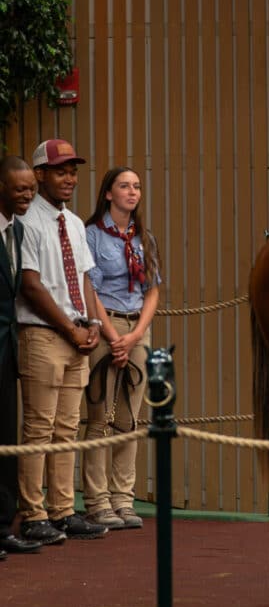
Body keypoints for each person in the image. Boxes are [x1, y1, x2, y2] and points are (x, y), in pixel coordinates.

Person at [17, 139, 107, 544]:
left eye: (72, 170)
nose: (69, 178)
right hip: (42, 333)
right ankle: (34, 513)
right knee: (39, 428)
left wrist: (91, 324)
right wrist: (70, 329)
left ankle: (63, 510)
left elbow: (85, 278)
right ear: (39, 175)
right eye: (60, 170)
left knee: (68, 427)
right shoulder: (27, 221)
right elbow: (31, 286)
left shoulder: (72, 222)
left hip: (76, 335)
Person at [82, 166, 160, 531]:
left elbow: (153, 290)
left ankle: (123, 499)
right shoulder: (93, 235)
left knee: (130, 419)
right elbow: (90, 289)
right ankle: (96, 502)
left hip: (137, 329)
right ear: (108, 193)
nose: (132, 192)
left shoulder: (145, 238)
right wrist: (114, 337)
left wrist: (136, 335)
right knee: (99, 417)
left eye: (137, 187)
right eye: (124, 186)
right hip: (105, 325)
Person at [0, 156, 42, 558]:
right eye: (19, 188)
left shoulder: (19, 229)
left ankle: (2, 527)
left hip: (7, 351)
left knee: (7, 439)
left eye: (31, 188)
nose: (27, 194)